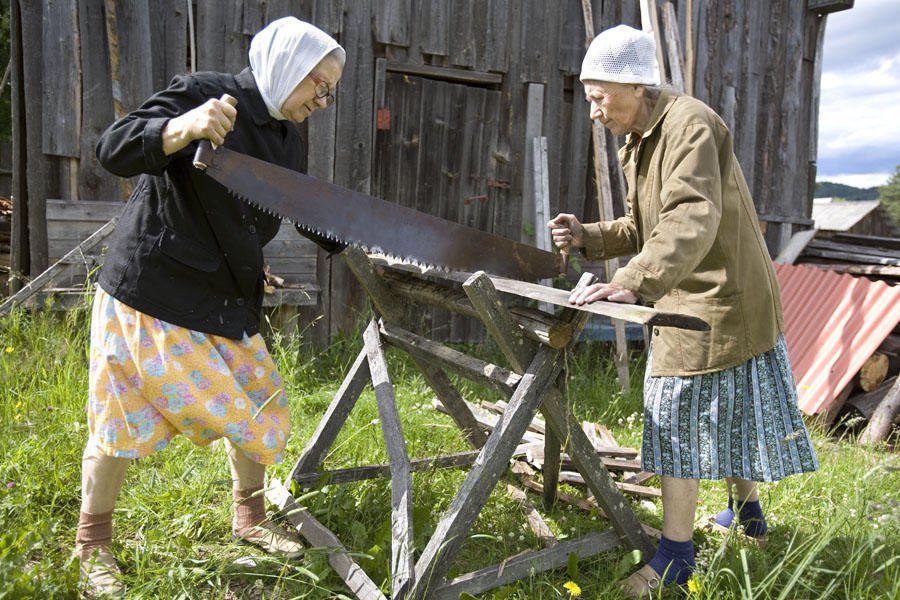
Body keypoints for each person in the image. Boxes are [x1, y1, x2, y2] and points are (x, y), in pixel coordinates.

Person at [75, 16, 345, 597]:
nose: (322, 100)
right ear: (285, 69)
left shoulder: (286, 133)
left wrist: (360, 237)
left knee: (261, 399)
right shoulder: (204, 92)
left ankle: (248, 520)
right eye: (316, 85)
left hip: (225, 293)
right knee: (118, 421)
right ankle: (92, 545)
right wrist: (181, 128)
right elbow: (112, 148)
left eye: (329, 90)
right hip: (152, 291)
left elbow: (291, 203)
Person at [548, 25, 818, 598]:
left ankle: (674, 558)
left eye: (600, 97)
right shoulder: (641, 138)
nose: (594, 111)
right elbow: (644, 227)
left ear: (636, 84)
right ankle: (750, 523)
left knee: (675, 421)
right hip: (696, 288)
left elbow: (691, 218)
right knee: (729, 409)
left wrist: (631, 282)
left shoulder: (690, 125)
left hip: (719, 295)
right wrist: (588, 236)